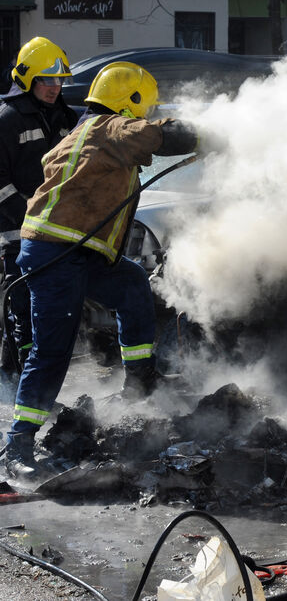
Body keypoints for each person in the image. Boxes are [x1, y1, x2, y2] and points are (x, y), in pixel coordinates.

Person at [3, 61, 201, 477]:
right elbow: (158, 133)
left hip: (77, 252)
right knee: (52, 350)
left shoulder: (84, 131)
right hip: (56, 254)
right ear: (130, 103)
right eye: (143, 107)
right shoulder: (109, 128)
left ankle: (141, 377)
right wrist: (208, 134)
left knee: (132, 283)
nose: (145, 115)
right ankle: (18, 444)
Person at [0, 37, 78, 377]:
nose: (55, 87)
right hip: (18, 232)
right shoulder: (8, 120)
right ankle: (23, 381)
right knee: (23, 308)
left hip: (55, 233)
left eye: (59, 79)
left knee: (47, 312)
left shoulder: (65, 117)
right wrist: (30, 211)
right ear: (28, 79)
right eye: (47, 79)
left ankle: (22, 377)